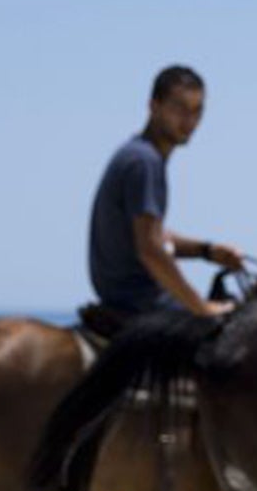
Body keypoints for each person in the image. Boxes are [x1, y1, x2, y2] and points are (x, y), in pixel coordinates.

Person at [87, 65, 246, 320]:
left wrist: (206, 250)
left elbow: (153, 234)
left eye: (197, 111)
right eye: (179, 109)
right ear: (154, 106)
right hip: (139, 300)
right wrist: (200, 307)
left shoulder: (136, 154)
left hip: (124, 295)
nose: (189, 121)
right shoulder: (144, 162)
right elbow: (150, 249)